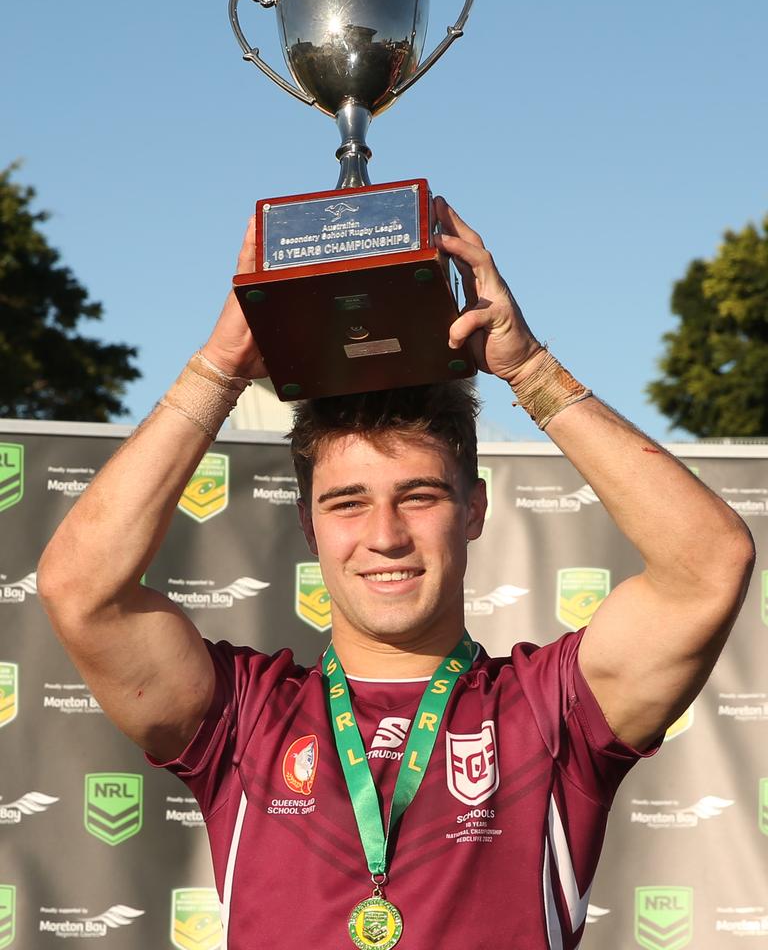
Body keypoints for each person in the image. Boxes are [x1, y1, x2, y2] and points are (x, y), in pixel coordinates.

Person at [38, 198, 754, 950]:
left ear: (473, 511)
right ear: (308, 527)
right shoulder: (243, 717)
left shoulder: (552, 710)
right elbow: (80, 589)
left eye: (419, 496)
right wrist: (216, 369)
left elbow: (709, 565)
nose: (384, 536)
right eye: (348, 503)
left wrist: (530, 370)